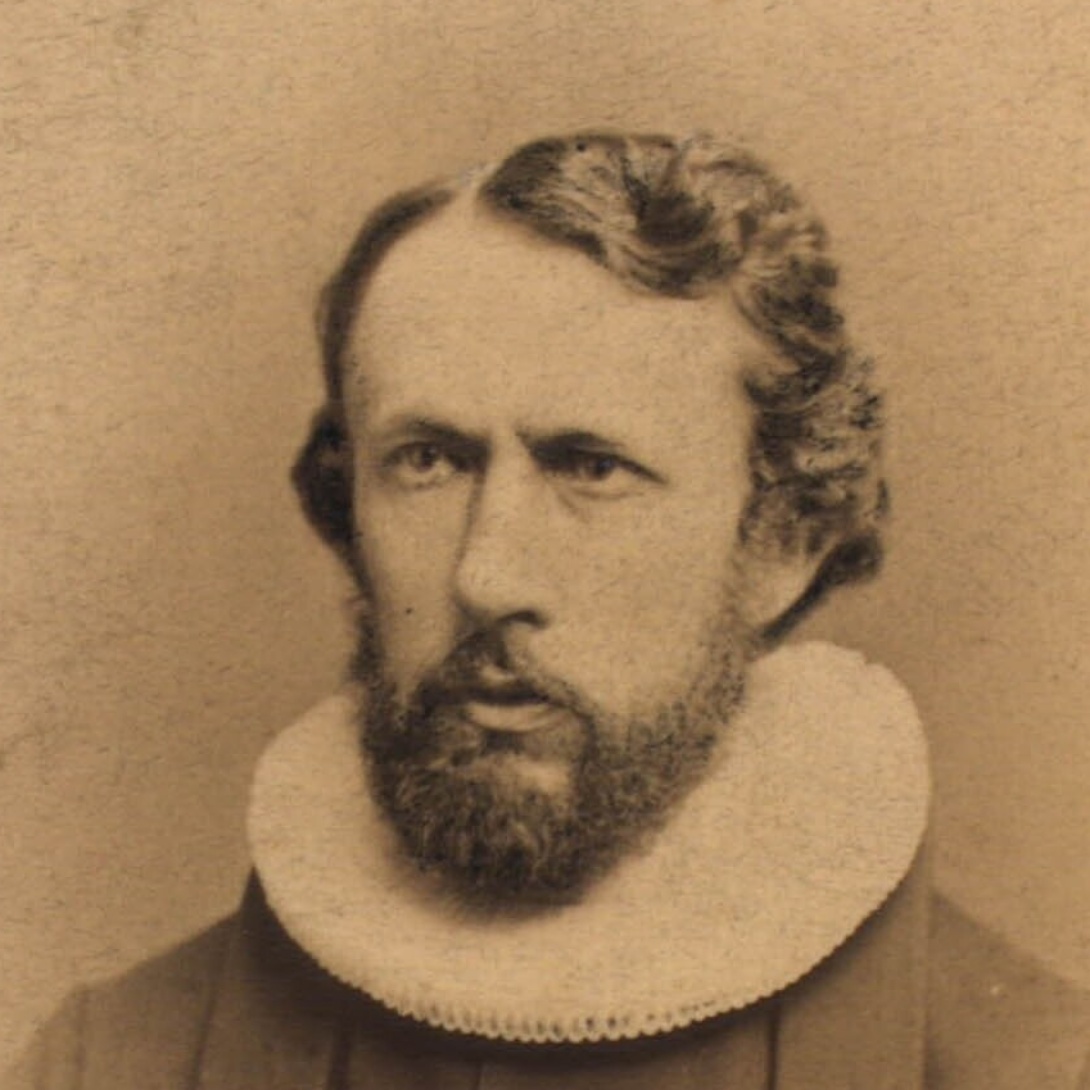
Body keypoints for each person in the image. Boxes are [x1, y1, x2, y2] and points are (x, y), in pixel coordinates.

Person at [9, 131, 1089, 1089]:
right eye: (427, 461)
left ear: (782, 542)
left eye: (592, 467)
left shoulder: (1035, 1067)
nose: (486, 576)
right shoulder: (101, 1065)